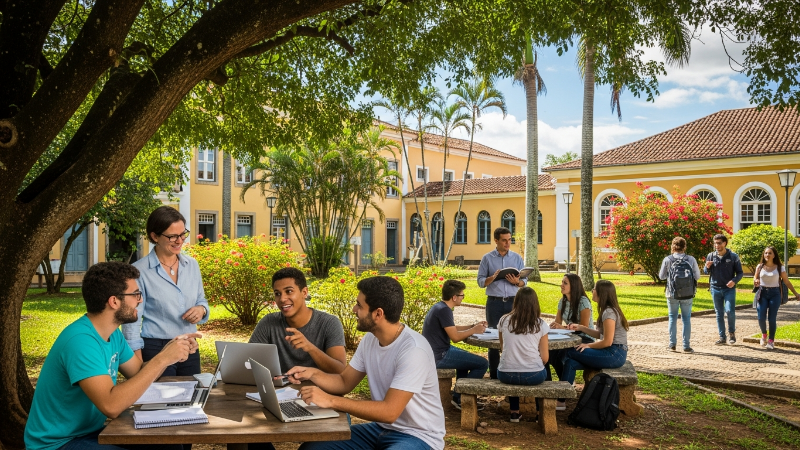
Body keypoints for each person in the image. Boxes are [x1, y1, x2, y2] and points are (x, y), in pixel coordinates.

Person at [25, 262, 199, 450]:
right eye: (135, 294)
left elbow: (138, 373)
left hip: (89, 432)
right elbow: (111, 406)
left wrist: (170, 352)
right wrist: (162, 359)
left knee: (169, 445)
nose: (140, 300)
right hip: (58, 443)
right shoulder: (81, 341)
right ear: (114, 301)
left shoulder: (112, 334)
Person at [287, 276, 445, 450]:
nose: (354, 309)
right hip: (380, 429)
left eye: (359, 305)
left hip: (419, 436)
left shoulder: (414, 350)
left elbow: (389, 412)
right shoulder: (370, 339)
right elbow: (344, 382)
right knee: (312, 448)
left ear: (378, 314)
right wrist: (312, 373)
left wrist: (330, 400)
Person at [122, 206, 209, 376]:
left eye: (183, 234)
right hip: (156, 348)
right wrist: (137, 364)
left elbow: (201, 300)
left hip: (189, 346)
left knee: (192, 392)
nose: (180, 241)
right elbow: (131, 319)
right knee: (162, 394)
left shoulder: (192, 265)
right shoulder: (138, 271)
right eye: (172, 236)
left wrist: (202, 309)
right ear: (155, 236)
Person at [249, 267, 346, 374]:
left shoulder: (329, 323)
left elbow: (340, 370)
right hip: (280, 385)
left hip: (316, 385)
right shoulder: (268, 322)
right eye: (277, 294)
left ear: (304, 292)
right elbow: (248, 361)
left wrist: (310, 348)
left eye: (289, 291)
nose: (282, 299)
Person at [422, 279, 489, 410]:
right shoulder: (444, 310)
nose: (463, 298)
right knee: (483, 363)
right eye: (462, 295)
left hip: (436, 352)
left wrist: (472, 326)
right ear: (454, 297)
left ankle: (458, 398)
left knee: (467, 360)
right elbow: (455, 337)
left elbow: (452, 328)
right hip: (439, 356)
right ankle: (463, 398)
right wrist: (474, 330)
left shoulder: (440, 307)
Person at [477, 226, 527, 379]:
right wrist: (492, 278)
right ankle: (494, 375)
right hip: (494, 303)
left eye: (509, 240)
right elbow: (480, 282)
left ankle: (513, 372)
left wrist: (517, 282)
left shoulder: (517, 258)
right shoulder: (487, 258)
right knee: (493, 337)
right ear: (496, 240)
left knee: (515, 336)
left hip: (514, 302)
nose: (507, 243)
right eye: (504, 240)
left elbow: (525, 281)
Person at [561, 280, 629, 386]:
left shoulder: (609, 312)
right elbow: (600, 335)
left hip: (615, 354)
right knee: (570, 363)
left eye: (594, 289)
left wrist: (588, 345)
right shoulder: (607, 310)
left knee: (569, 351)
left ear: (601, 293)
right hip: (612, 352)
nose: (592, 291)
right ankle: (563, 395)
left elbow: (607, 342)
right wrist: (581, 327)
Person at [497, 287, 550, 423]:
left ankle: (514, 412)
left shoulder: (504, 320)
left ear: (516, 301)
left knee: (513, 362)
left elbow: (503, 348)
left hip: (506, 374)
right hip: (534, 375)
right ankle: (539, 412)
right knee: (545, 368)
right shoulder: (540, 324)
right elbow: (545, 358)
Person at [547, 273, 594, 410]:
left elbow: (583, 327)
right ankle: (563, 384)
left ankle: (562, 398)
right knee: (550, 353)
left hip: (585, 337)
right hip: (568, 336)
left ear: (574, 286)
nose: (561, 285)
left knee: (564, 354)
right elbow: (557, 322)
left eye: (565, 283)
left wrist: (562, 327)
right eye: (562, 282)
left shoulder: (583, 302)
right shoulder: (562, 301)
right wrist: (554, 326)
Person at [658, 236, 701, 353]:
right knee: (686, 319)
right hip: (688, 293)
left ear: (673, 246)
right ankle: (686, 346)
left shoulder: (667, 259)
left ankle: (672, 344)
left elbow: (661, 276)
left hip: (672, 293)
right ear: (684, 247)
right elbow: (697, 276)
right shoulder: (691, 259)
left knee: (672, 318)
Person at [753, 246, 800, 350]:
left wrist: (796, 293)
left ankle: (771, 340)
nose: (767, 255)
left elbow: (786, 281)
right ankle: (764, 334)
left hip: (775, 294)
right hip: (762, 293)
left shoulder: (779, 267)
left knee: (772, 318)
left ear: (774, 255)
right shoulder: (760, 266)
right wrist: (755, 281)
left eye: (770, 253)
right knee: (761, 317)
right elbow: (755, 277)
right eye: (766, 253)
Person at [704, 234, 744, 345]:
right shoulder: (711, 256)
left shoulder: (733, 256)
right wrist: (706, 267)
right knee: (719, 313)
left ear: (725, 243)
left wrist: (734, 281)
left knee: (729, 311)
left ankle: (732, 333)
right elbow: (706, 271)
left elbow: (740, 273)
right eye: (715, 243)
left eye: (719, 243)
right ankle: (722, 337)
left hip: (728, 289)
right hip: (715, 288)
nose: (717, 245)